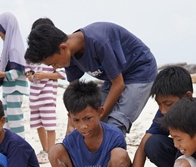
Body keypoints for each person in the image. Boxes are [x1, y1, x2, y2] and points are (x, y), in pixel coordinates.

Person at [25, 21, 157, 134]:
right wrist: (71, 124)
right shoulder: (69, 56)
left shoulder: (98, 42)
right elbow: (74, 95)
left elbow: (119, 84)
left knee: (115, 124)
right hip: (114, 77)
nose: (54, 68)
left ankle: (113, 161)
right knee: (87, 117)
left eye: (53, 63)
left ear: (63, 48)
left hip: (139, 70)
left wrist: (97, 118)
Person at [26, 18, 66, 164]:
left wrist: (45, 75)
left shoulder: (55, 54)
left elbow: (62, 74)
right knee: (38, 124)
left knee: (49, 124)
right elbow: (27, 71)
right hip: (35, 95)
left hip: (48, 95)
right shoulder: (32, 56)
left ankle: (50, 150)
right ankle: (45, 149)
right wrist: (31, 76)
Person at [0, 12, 29, 135]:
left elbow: (18, 71)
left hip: (15, 90)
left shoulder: (14, 48)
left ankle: (20, 145)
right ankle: (11, 145)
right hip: (9, 89)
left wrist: (0, 75)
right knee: (7, 120)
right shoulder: (9, 48)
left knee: (15, 120)